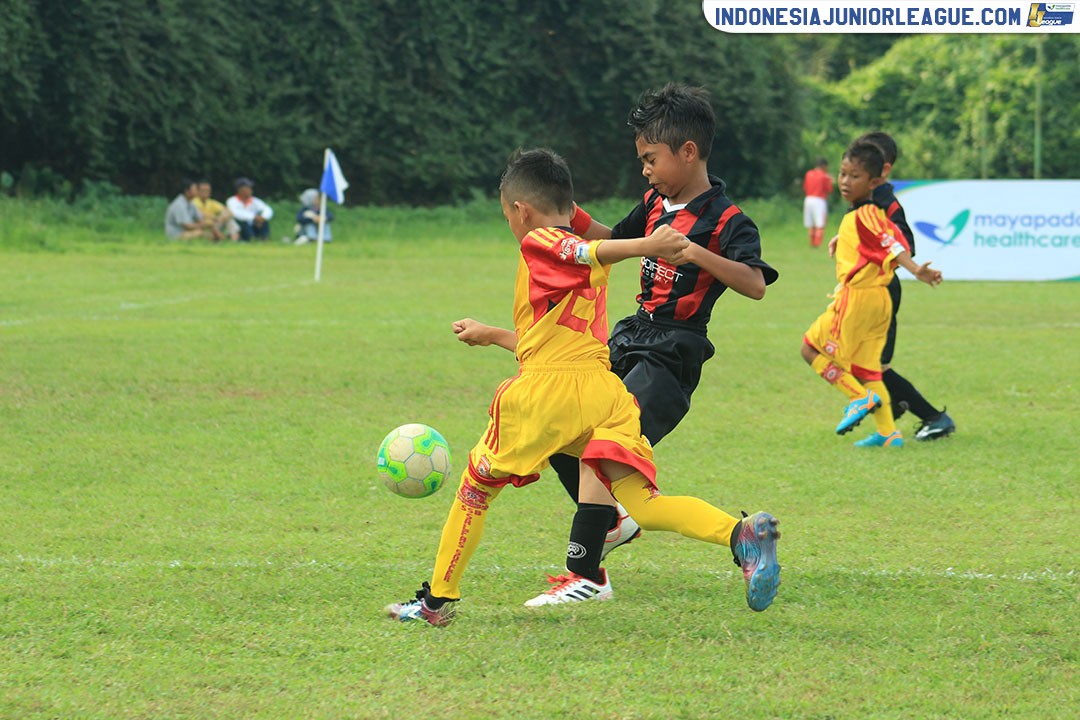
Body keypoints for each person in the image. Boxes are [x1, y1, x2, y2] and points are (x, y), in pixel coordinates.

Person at [385, 149, 781, 627]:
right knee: (643, 505)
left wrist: (646, 245)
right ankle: (740, 533)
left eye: (508, 216)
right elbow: (555, 343)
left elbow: (587, 250)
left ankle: (434, 603)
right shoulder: (571, 249)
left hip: (547, 397)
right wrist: (491, 334)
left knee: (474, 491)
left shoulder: (541, 242)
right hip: (602, 393)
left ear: (520, 211)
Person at [539, 82, 779, 583]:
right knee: (560, 422)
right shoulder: (652, 202)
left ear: (688, 152)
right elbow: (612, 241)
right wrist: (562, 208)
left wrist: (693, 253)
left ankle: (583, 578)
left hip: (671, 354)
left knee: (604, 449)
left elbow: (755, 284)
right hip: (630, 338)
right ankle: (611, 525)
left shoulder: (729, 221)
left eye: (651, 159)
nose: (645, 170)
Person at [802, 139, 942, 447]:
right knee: (869, 366)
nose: (845, 182)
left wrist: (916, 269)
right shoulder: (872, 213)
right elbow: (890, 241)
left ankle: (859, 398)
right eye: (842, 174)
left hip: (859, 298)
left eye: (854, 176)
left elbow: (893, 246)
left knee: (811, 349)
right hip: (880, 301)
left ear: (875, 182)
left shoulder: (865, 214)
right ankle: (888, 432)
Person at [841, 132, 956, 441]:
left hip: (881, 291)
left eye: (859, 171)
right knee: (859, 360)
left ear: (883, 171)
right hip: (862, 291)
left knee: (872, 363)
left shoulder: (885, 203)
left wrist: (902, 260)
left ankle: (933, 417)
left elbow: (903, 241)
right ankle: (890, 417)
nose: (849, 178)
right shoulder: (862, 202)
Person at [803, 157, 833, 248]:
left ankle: (811, 242)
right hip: (819, 200)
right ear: (824, 166)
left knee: (811, 223)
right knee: (820, 223)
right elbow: (829, 189)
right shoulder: (824, 176)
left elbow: (805, 187)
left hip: (808, 199)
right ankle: (817, 243)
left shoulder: (809, 174)